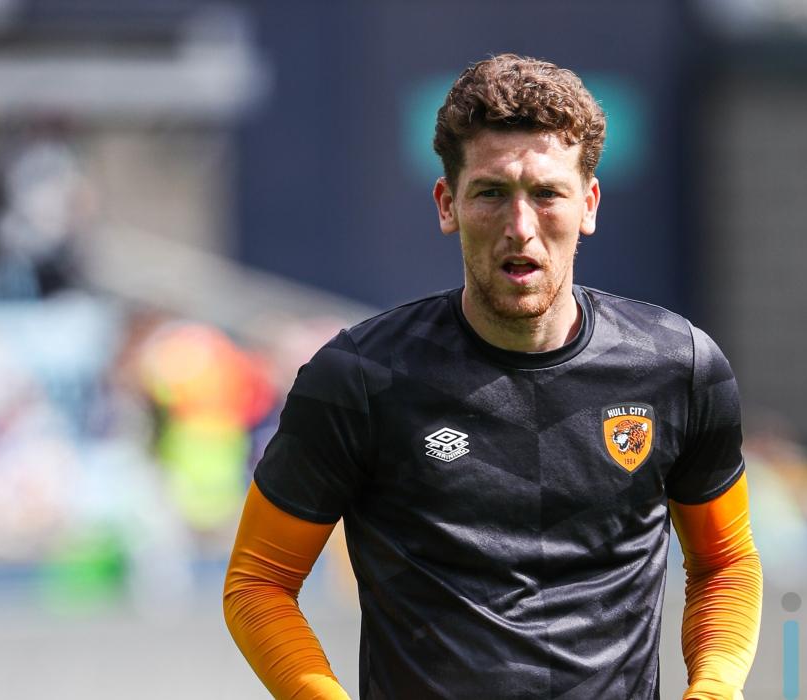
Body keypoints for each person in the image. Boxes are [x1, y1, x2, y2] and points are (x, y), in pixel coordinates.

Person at [224, 54, 762, 700]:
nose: (520, 228)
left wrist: (714, 689)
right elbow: (258, 582)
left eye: (547, 194)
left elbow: (726, 563)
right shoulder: (360, 378)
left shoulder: (677, 366)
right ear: (447, 204)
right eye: (491, 193)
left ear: (589, 204)